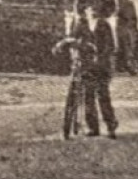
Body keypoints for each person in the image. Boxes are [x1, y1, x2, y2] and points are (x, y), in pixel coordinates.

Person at [51, 8, 94, 139]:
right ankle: (69, 128)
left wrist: (70, 43)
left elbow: (88, 45)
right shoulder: (74, 22)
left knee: (85, 96)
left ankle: (83, 126)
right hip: (76, 65)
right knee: (74, 97)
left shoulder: (83, 24)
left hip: (85, 65)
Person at [84, 8, 119, 138]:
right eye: (88, 8)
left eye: (94, 8)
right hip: (87, 65)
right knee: (88, 96)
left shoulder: (104, 25)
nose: (91, 11)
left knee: (102, 95)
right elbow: (73, 38)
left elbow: (110, 45)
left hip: (102, 66)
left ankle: (111, 126)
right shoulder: (81, 25)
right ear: (85, 11)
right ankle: (93, 127)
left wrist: (101, 57)